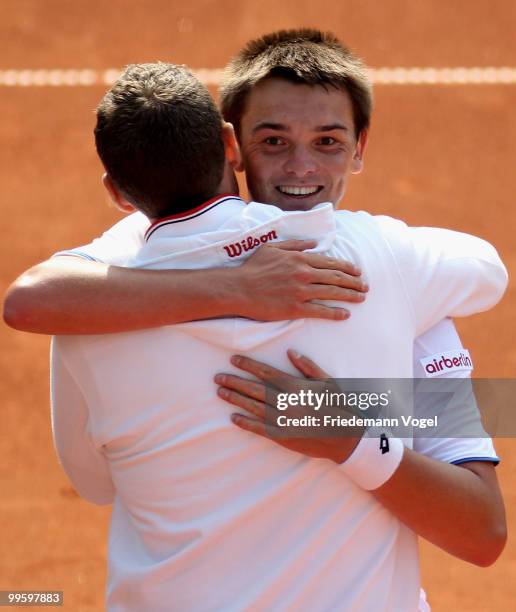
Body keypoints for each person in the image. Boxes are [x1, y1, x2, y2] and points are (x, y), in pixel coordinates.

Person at [4, 30, 507, 609]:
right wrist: (366, 407)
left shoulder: (97, 300)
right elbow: (488, 271)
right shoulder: (388, 263)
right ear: (232, 145)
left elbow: (91, 477)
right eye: (273, 141)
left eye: (326, 141)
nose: (301, 166)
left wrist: (351, 433)